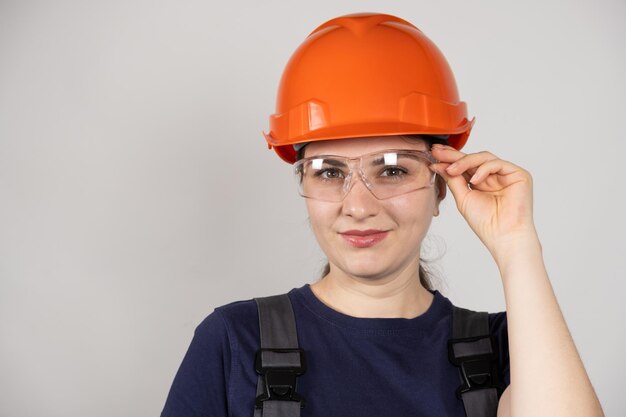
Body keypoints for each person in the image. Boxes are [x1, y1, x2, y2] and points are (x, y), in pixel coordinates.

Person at [161, 12, 604, 417]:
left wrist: (516, 244)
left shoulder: (506, 349)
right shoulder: (235, 341)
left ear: (441, 186)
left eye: (392, 169)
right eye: (329, 172)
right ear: (303, 185)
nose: (358, 205)